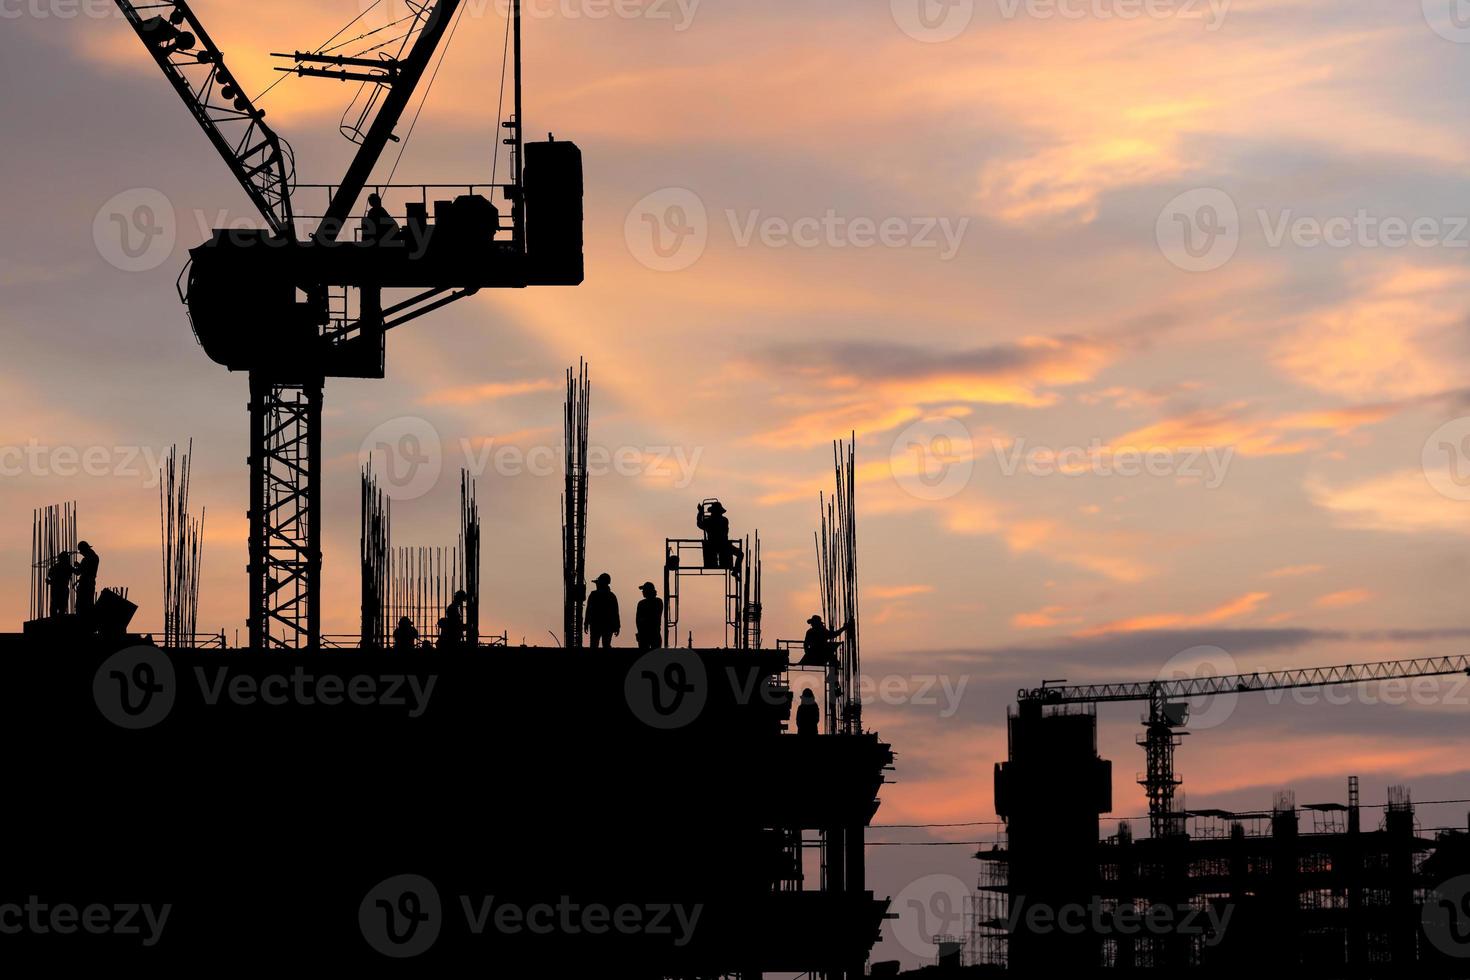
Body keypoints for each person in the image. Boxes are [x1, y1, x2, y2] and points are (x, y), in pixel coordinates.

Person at [696, 500, 743, 579]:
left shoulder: (709, 521)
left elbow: (699, 524)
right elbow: (726, 532)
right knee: (740, 554)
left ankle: (735, 571)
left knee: (740, 554)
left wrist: (700, 512)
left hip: (714, 545)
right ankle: (735, 571)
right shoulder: (724, 520)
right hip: (722, 545)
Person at [584, 572, 620, 649]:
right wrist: (617, 626)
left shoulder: (594, 595)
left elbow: (589, 610)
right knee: (605, 645)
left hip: (596, 624)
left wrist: (586, 623)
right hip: (607, 625)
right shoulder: (612, 596)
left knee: (594, 645)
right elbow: (615, 613)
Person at [46, 550, 75, 618]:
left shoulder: (56, 567)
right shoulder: (68, 567)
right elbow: (77, 572)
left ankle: (55, 619)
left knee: (56, 606)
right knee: (60, 606)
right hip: (62, 589)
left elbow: (51, 577)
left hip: (57, 589)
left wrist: (50, 581)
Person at [635, 582, 663, 651]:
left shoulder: (643, 603)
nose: (643, 592)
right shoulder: (658, 602)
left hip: (650, 634)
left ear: (648, 591)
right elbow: (638, 620)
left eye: (644, 590)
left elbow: (639, 620)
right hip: (650, 634)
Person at [75, 541, 99, 620]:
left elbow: (79, 572)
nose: (81, 553)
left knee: (81, 604)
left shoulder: (86, 560)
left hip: (85, 584)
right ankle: (88, 619)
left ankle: (83, 620)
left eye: (81, 551)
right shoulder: (95, 557)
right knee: (89, 603)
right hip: (91, 583)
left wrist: (73, 567)